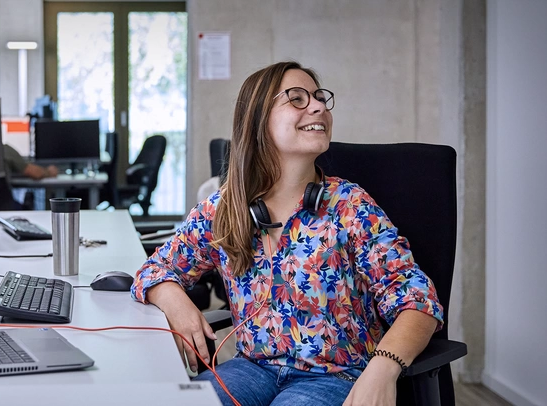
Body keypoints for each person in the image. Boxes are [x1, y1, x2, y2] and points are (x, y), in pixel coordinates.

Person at [131, 61, 443, 406]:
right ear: (258, 119)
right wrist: (176, 302)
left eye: (319, 97)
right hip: (251, 369)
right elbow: (154, 269)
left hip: (336, 376)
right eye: (296, 98)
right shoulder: (224, 209)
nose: (318, 106)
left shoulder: (349, 206)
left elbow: (418, 301)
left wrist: (384, 367)